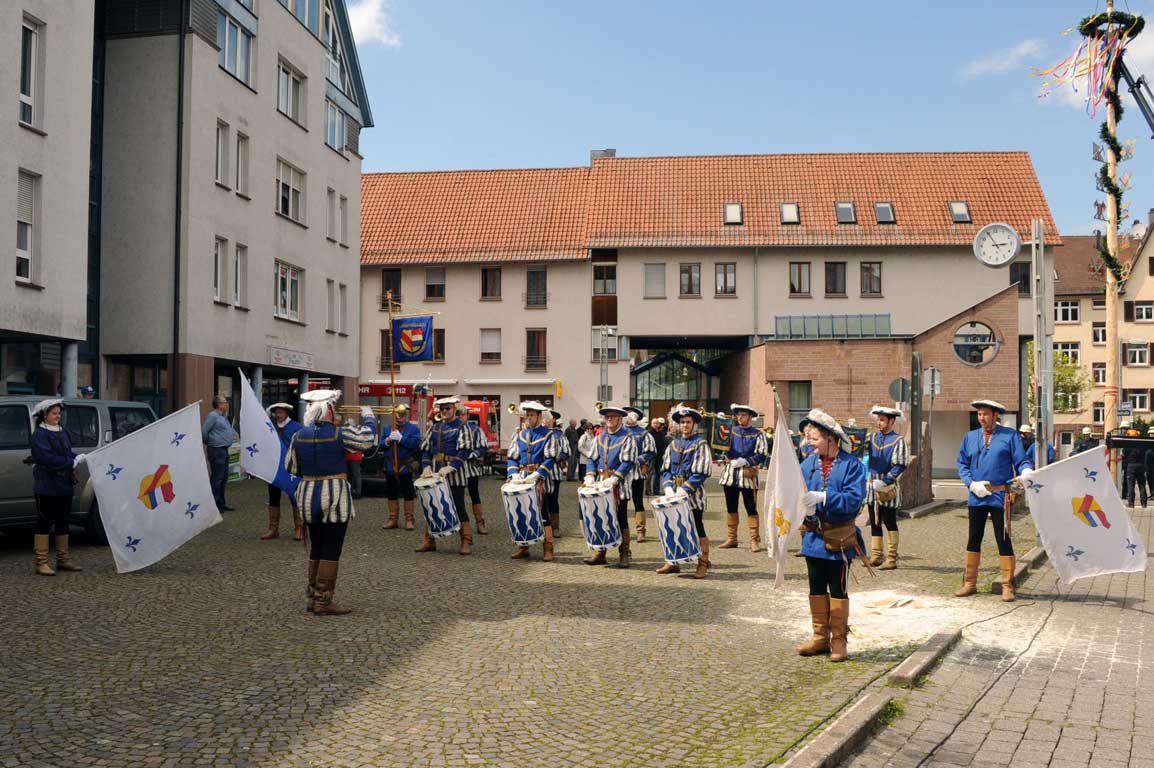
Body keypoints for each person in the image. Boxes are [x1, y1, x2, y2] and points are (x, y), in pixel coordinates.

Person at [285, 390, 377, 616]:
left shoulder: (299, 435)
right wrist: (370, 418)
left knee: (316, 546)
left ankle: (312, 596)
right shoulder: (339, 434)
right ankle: (323, 601)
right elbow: (367, 440)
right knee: (331, 548)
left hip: (307, 496)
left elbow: (291, 467)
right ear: (329, 410)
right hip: (334, 497)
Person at [795, 409, 866, 662]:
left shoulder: (852, 466)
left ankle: (839, 641)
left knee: (837, 588)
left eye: (813, 439)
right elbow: (796, 495)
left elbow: (854, 500)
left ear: (831, 438)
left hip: (840, 540)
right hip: (813, 539)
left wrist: (824, 497)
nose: (809, 444)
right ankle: (820, 638)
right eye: (808, 438)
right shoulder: (806, 465)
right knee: (815, 586)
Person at [955, 399, 1034, 602]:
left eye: (986, 414)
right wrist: (971, 484)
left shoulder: (1010, 436)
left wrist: (1025, 470)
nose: (982, 418)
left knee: (1003, 539)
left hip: (1001, 495)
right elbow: (962, 463)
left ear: (996, 415)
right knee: (974, 538)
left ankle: (1008, 585)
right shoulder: (970, 437)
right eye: (979, 414)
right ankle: (970, 583)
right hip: (977, 495)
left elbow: (1022, 459)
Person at [29, 399, 86, 575]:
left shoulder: (62, 431)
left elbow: (67, 453)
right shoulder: (39, 434)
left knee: (63, 521)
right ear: (44, 415)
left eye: (58, 413)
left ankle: (63, 559)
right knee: (45, 521)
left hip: (64, 484)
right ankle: (41, 562)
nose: (57, 416)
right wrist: (71, 461)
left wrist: (78, 457)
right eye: (54, 413)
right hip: (47, 484)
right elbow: (46, 458)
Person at [658, 404, 713, 578]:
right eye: (682, 422)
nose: (685, 425)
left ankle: (703, 563)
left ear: (694, 424)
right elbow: (665, 469)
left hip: (693, 495)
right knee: (672, 527)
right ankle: (673, 562)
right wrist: (667, 487)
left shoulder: (700, 444)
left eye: (688, 422)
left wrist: (685, 489)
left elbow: (702, 471)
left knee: (697, 527)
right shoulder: (673, 444)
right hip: (674, 493)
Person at [417, 396, 476, 555]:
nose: (444, 411)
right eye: (442, 409)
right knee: (431, 505)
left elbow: (465, 451)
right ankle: (429, 540)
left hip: (455, 475)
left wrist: (451, 467)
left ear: (454, 409)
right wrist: (426, 466)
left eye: (447, 408)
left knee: (458, 507)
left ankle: (466, 540)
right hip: (435, 474)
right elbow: (426, 449)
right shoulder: (434, 428)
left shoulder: (462, 427)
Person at [506, 402, 562, 561]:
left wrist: (537, 474)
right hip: (522, 478)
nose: (529, 418)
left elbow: (551, 458)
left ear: (539, 416)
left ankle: (548, 547)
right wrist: (514, 474)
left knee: (543, 514)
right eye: (528, 415)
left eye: (532, 415)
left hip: (539, 480)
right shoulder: (520, 435)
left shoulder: (549, 435)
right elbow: (512, 458)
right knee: (522, 513)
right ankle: (523, 547)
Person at [583, 405, 637, 568]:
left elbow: (628, 461)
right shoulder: (600, 437)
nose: (609, 420)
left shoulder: (627, 436)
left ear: (620, 419)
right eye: (607, 417)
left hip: (619, 485)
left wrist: (615, 478)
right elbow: (592, 458)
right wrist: (590, 475)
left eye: (613, 417)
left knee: (621, 518)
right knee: (600, 517)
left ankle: (624, 553)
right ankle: (601, 552)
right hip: (600, 483)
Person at [718, 403, 769, 552]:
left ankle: (754, 540)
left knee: (751, 508)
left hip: (748, 475)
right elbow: (722, 447)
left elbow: (762, 453)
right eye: (738, 415)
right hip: (730, 475)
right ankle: (732, 538)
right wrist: (724, 456)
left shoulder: (758, 434)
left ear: (750, 417)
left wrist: (746, 461)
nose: (740, 418)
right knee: (731, 508)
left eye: (743, 415)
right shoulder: (730, 431)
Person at [865, 406, 909, 570]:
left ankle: (891, 557)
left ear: (891, 421)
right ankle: (876, 554)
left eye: (883, 420)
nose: (879, 422)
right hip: (871, 486)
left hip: (887, 487)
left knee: (890, 521)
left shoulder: (898, 441)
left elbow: (900, 465)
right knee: (875, 521)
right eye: (878, 419)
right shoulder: (872, 437)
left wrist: (885, 481)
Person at [261, 403, 303, 541]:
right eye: (276, 413)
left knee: (294, 497)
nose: (278, 415)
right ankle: (273, 528)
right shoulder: (270, 426)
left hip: (292, 467)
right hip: (274, 468)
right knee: (273, 497)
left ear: (286, 413)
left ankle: (299, 528)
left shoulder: (297, 427)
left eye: (281, 412)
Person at [381, 403, 422, 530]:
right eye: (398, 415)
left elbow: (416, 445)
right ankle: (393, 519)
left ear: (406, 416)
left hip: (405, 465)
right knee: (391, 492)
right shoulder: (388, 429)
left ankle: (409, 519)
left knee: (408, 492)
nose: (400, 418)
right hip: (390, 465)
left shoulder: (413, 429)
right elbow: (380, 445)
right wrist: (387, 440)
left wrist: (401, 439)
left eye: (403, 415)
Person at [624, 406, 656, 542]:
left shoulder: (644, 433)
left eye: (630, 414)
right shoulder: (620, 432)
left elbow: (650, 451)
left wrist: (637, 460)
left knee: (638, 501)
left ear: (636, 417)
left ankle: (640, 531)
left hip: (636, 472)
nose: (628, 416)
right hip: (622, 473)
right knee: (621, 502)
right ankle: (621, 530)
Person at [459, 405, 490, 535]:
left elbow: (483, 447)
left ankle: (479, 522)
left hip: (470, 468)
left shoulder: (476, 430)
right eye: (458, 414)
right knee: (457, 497)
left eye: (463, 414)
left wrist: (472, 455)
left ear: (467, 416)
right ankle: (458, 524)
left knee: (474, 495)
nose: (461, 417)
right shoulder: (452, 430)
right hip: (455, 469)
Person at [201, 395, 234, 511]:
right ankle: (213, 505)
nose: (227, 404)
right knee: (217, 478)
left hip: (223, 450)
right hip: (216, 450)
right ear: (219, 405)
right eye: (225, 402)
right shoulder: (213, 416)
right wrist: (211, 443)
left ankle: (221, 503)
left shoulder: (223, 417)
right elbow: (204, 432)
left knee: (224, 477)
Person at [545, 409, 567, 535]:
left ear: (554, 420)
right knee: (541, 501)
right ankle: (544, 525)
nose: (547, 420)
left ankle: (555, 527)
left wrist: (555, 457)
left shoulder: (559, 436)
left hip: (554, 473)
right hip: (539, 474)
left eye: (550, 418)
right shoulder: (539, 433)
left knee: (553, 500)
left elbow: (566, 451)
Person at [1120, 424, 1148, 509]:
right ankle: (1144, 503)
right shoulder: (1141, 444)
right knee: (1142, 485)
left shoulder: (1128, 445)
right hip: (1141, 466)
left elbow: (1123, 454)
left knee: (1130, 485)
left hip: (1131, 466)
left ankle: (1131, 504)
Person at [648, 417, 668, 497]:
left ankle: (656, 490)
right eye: (654, 423)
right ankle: (648, 490)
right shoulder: (649, 433)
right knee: (650, 473)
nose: (656, 425)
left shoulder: (660, 432)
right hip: (652, 456)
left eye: (657, 423)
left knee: (657, 474)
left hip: (659, 455)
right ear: (651, 424)